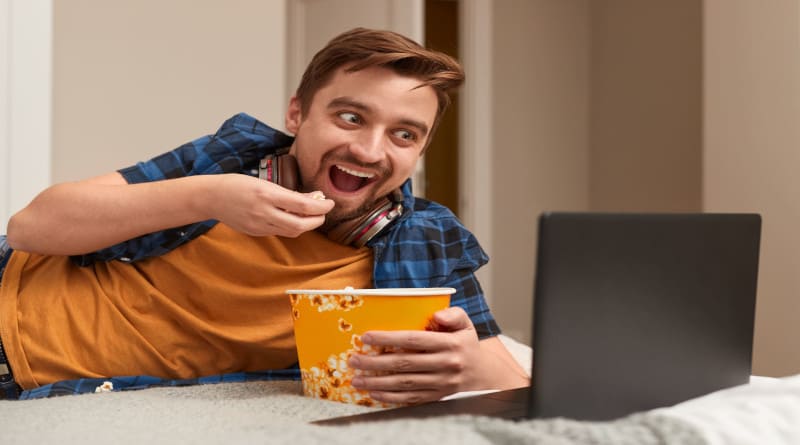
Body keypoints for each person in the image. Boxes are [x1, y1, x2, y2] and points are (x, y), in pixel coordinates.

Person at [0, 27, 529, 402]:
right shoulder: (230, 160)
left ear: (420, 150)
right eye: (350, 116)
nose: (370, 150)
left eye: (403, 134)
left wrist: (465, 366)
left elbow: (512, 381)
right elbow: (31, 226)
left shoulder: (427, 240)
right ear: (297, 113)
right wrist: (209, 196)